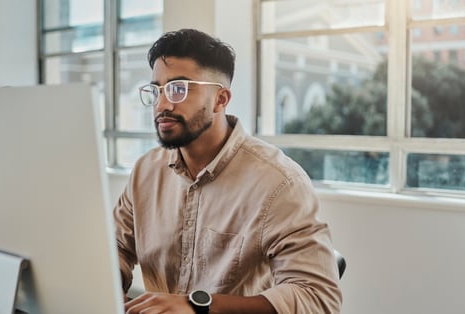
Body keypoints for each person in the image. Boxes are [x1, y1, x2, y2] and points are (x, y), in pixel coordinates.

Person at [113, 28, 342, 314]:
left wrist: (196, 307)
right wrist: (105, 290)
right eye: (156, 90)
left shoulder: (280, 183)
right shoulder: (146, 171)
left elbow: (317, 298)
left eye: (178, 89)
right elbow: (116, 249)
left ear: (221, 99)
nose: (162, 104)